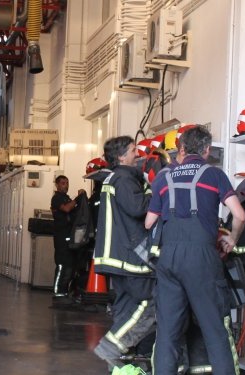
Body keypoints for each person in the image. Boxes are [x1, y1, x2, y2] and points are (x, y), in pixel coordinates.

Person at [144, 125, 245, 375]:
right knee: (214, 331)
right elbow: (239, 215)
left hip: (168, 259)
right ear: (207, 149)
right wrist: (231, 239)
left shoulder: (163, 177)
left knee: (167, 333)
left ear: (181, 149)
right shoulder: (214, 174)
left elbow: (148, 222)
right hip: (202, 258)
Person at [91, 136, 156, 370]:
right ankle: (112, 346)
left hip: (116, 257)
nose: (136, 154)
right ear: (121, 157)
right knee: (153, 301)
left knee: (126, 308)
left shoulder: (113, 178)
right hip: (129, 258)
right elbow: (138, 208)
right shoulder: (124, 178)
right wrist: (157, 192)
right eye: (132, 151)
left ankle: (116, 364)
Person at [50, 175, 85, 304]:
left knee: (69, 267)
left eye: (67, 183)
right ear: (57, 185)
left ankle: (64, 292)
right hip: (60, 239)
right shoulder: (57, 199)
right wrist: (78, 198)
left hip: (69, 238)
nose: (66, 185)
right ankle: (57, 293)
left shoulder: (66, 198)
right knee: (61, 266)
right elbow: (67, 208)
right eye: (63, 183)